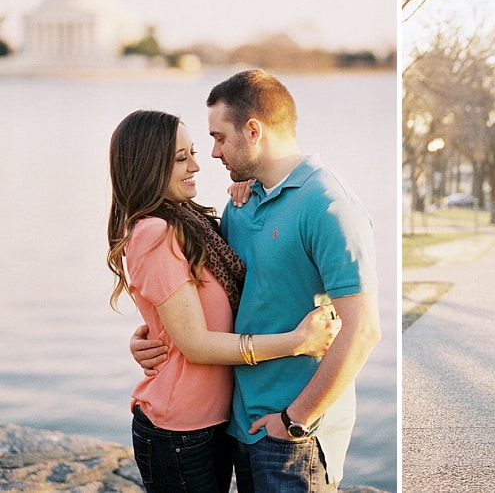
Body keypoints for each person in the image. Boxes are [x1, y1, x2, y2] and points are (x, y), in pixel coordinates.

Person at [132, 70, 382, 492]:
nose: (212, 154)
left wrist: (295, 421)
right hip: (237, 426)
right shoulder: (241, 205)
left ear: (252, 131)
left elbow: (363, 331)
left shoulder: (330, 205)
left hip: (294, 436)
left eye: (219, 138)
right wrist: (152, 335)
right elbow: (207, 299)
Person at [107, 110, 340, 492]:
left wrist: (249, 194)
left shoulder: (193, 224)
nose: (196, 165)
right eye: (181, 159)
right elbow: (196, 344)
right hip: (177, 430)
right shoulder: (154, 232)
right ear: (148, 166)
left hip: (215, 424)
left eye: (193, 153)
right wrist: (297, 342)